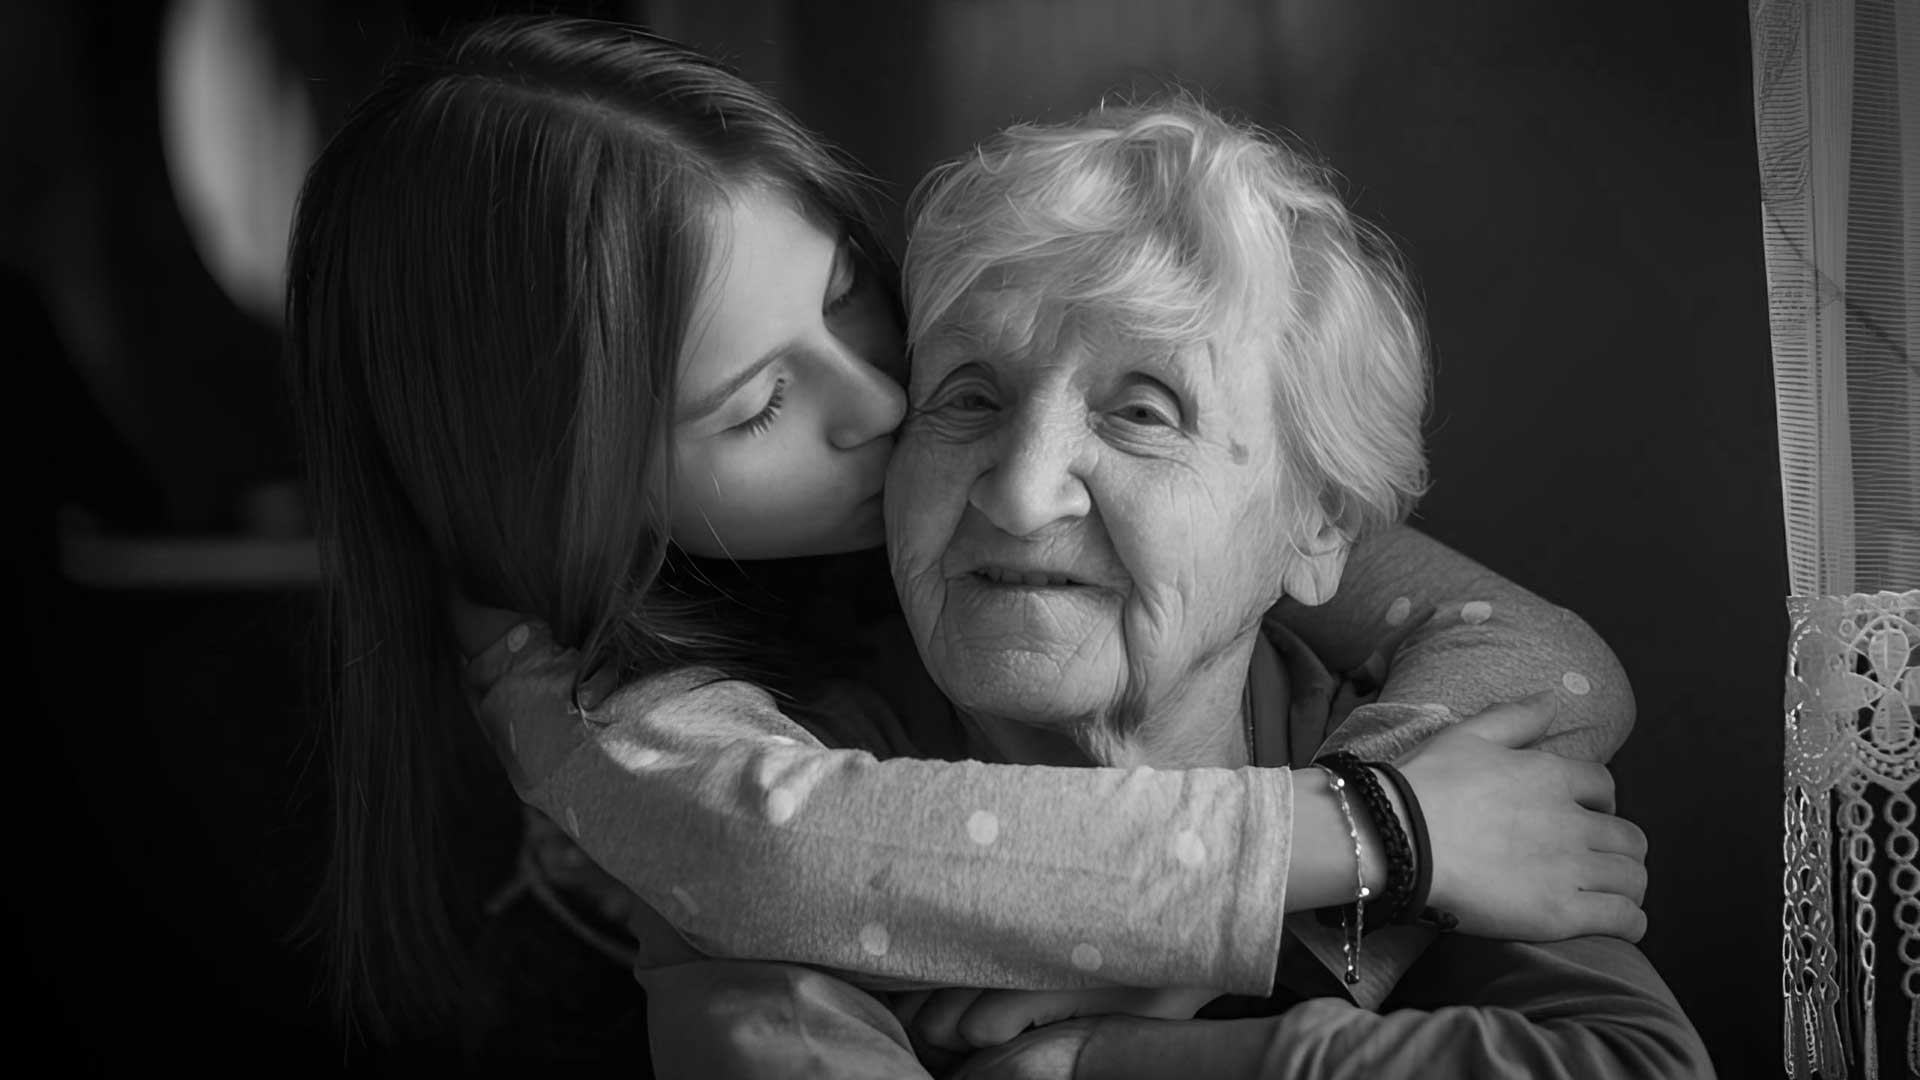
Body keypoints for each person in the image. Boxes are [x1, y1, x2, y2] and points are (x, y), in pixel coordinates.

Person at [285, 14, 1645, 1064]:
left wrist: (1353, 874)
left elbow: (1547, 662)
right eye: (760, 402)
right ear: (576, 493)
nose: (887, 401)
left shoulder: (1276, 587)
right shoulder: (616, 716)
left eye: (851, 300)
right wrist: (1368, 841)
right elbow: (790, 860)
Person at [622, 96, 1709, 1078]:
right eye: (967, 397)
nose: (1021, 492)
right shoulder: (782, 813)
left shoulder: (1423, 755)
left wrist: (1104, 1062)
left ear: (1316, 525)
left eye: (1142, 411)